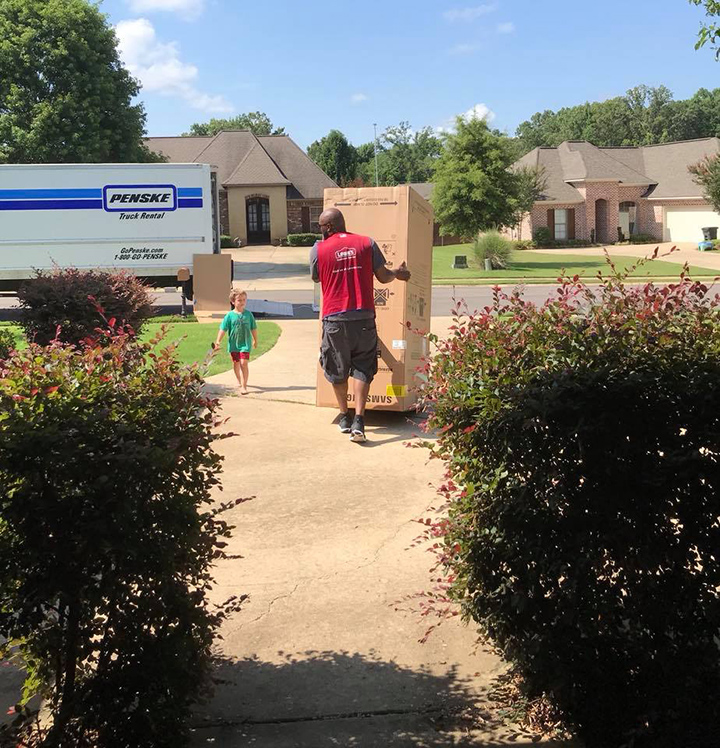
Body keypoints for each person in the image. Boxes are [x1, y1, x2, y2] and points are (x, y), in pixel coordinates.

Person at [311, 207, 410, 443]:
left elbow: (316, 277)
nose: (320, 231)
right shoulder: (367, 243)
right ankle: (359, 420)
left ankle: (344, 416)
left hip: (335, 318)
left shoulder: (318, 249)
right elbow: (384, 276)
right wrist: (398, 272)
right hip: (364, 317)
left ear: (329, 227)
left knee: (336, 368)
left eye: (321, 227)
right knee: (363, 368)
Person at [213, 289, 257, 394]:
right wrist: (218, 341)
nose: (242, 302)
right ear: (233, 302)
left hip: (245, 344)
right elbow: (223, 329)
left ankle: (244, 386)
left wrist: (255, 340)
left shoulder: (248, 315)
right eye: (239, 300)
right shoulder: (229, 316)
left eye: (244, 300)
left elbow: (253, 328)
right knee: (236, 363)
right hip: (234, 344)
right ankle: (239, 379)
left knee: (244, 363)